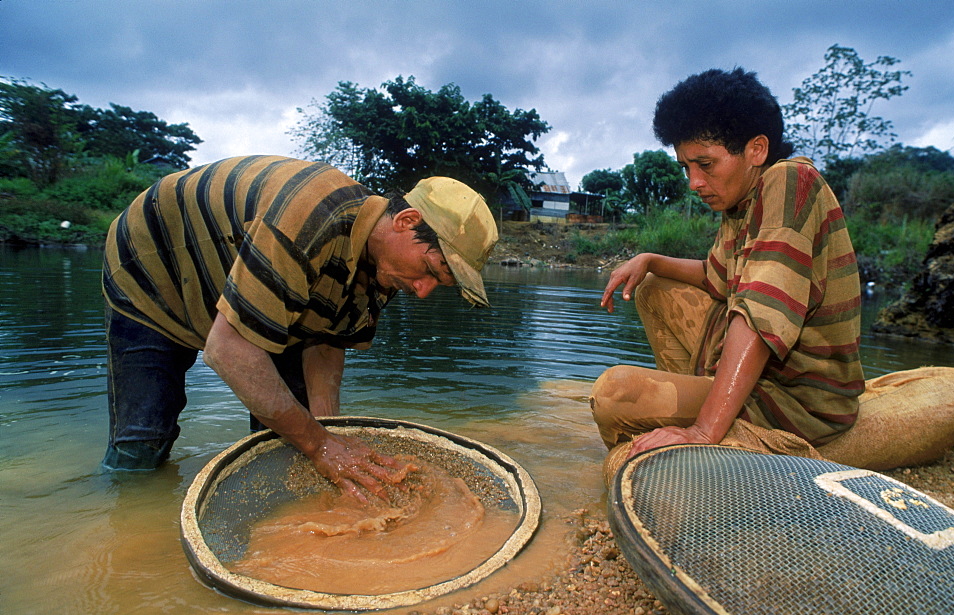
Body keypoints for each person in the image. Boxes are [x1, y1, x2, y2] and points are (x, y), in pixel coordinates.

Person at [102, 155, 498, 500]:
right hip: (155, 271)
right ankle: (131, 522)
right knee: (143, 437)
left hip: (257, 295)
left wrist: (329, 434)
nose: (423, 291)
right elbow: (228, 351)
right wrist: (320, 445)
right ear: (406, 221)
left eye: (438, 285)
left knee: (289, 428)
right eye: (429, 271)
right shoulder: (309, 217)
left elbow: (326, 342)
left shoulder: (390, 268)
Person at [591, 68, 866, 467]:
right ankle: (697, 401)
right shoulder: (739, 204)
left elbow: (759, 314)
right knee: (652, 285)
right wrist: (648, 259)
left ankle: (705, 424)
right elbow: (714, 277)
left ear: (756, 149)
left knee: (614, 396)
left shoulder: (791, 181)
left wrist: (703, 431)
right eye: (687, 168)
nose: (694, 182)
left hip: (795, 401)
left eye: (705, 164)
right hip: (760, 380)